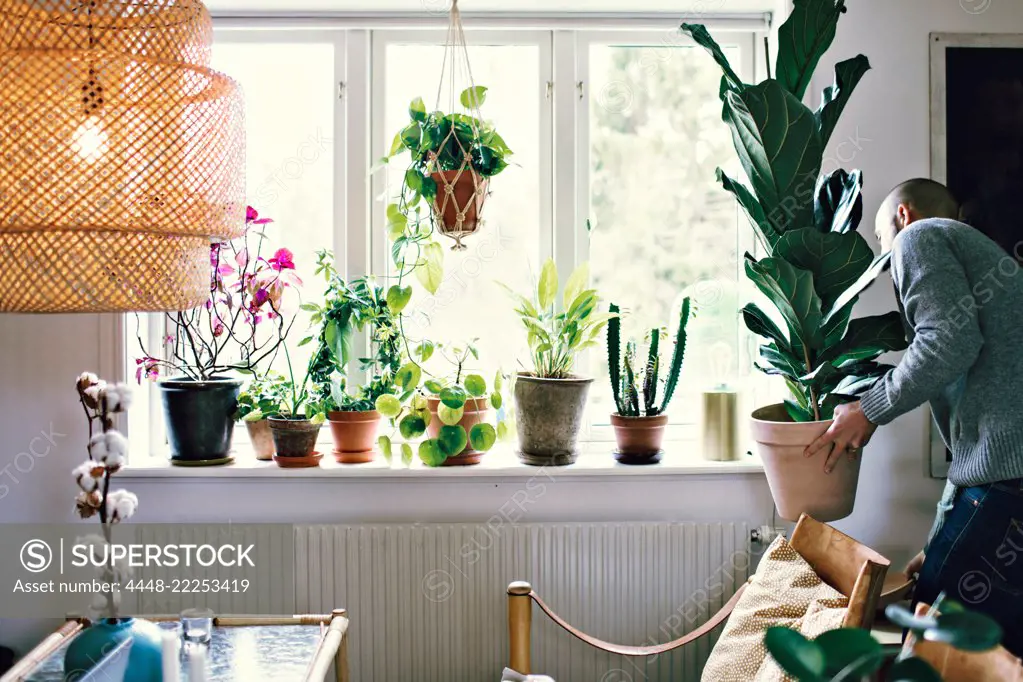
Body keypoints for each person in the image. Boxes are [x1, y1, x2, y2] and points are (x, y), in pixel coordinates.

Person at [804, 178, 1023, 655]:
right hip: (1006, 486)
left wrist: (868, 409)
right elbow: (974, 448)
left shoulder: (919, 237)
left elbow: (948, 342)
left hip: (1008, 488)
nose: (890, 263)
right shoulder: (980, 258)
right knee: (995, 653)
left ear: (903, 215)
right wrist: (944, 532)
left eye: (883, 247)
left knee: (926, 648)